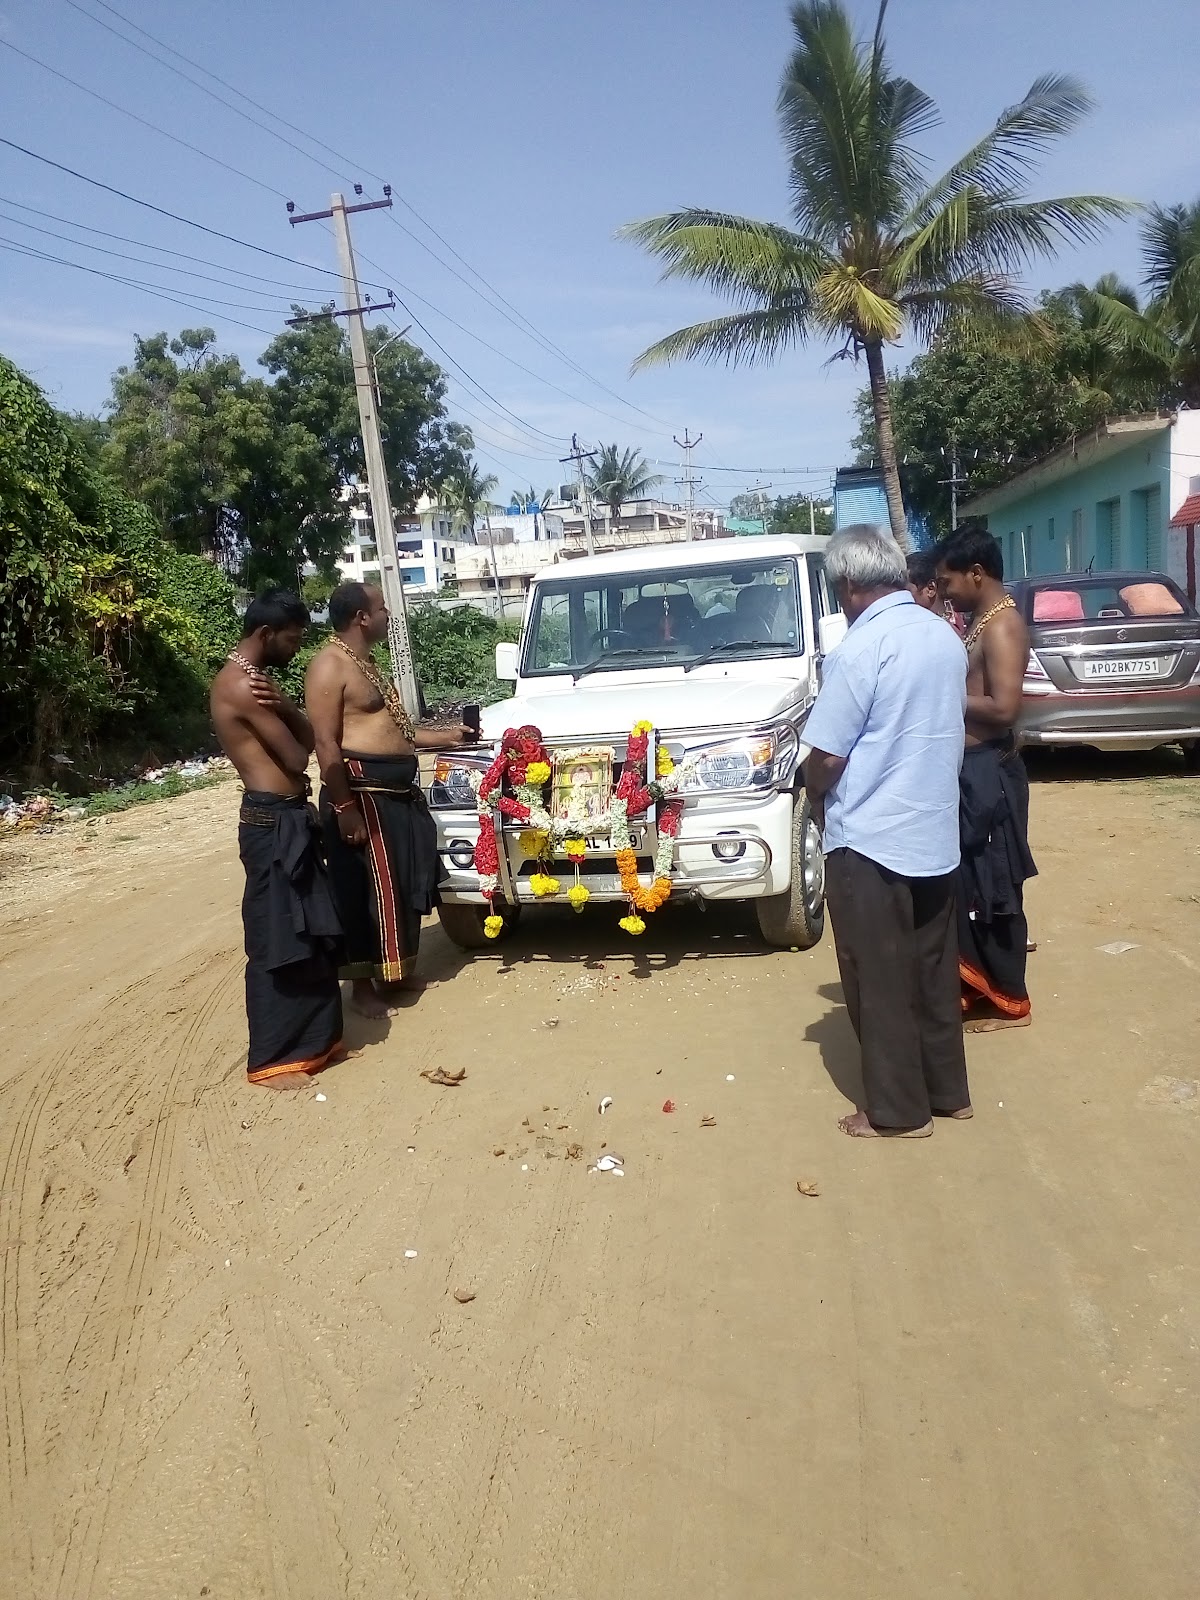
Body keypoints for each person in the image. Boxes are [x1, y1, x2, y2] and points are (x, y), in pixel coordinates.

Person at [803, 526, 971, 1138]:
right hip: (932, 827)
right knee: (932, 968)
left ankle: (898, 1112)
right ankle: (947, 1091)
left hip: (870, 835)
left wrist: (810, 789)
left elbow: (828, 755)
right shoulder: (943, 636)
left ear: (848, 584)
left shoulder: (861, 649)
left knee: (877, 975)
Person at [306, 582, 476, 1018]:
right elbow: (325, 744)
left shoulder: (366, 663)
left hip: (394, 794)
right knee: (363, 892)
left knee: (397, 887)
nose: (388, 615)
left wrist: (448, 737)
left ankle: (392, 974)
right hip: (361, 795)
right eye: (382, 608)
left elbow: (399, 731)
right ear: (361, 617)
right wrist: (344, 809)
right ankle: (362, 988)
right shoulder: (329, 665)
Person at [210, 590, 345, 1089]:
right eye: (292, 638)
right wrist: (287, 711)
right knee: (278, 936)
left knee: (307, 932)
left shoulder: (258, 682)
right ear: (266, 634)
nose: (296, 647)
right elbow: (295, 756)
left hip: (286, 817)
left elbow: (306, 740)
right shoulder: (240, 685)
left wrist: (286, 705)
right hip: (270, 824)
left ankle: (314, 1042)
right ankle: (272, 1059)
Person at [936, 528, 1037, 1031]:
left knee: (996, 885)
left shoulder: (1002, 626)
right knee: (970, 884)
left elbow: (1004, 708)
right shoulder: (980, 621)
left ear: (976, 574)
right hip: (971, 771)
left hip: (990, 773)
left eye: (947, 581)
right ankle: (977, 990)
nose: (944, 591)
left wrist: (941, 696)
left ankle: (1010, 1002)